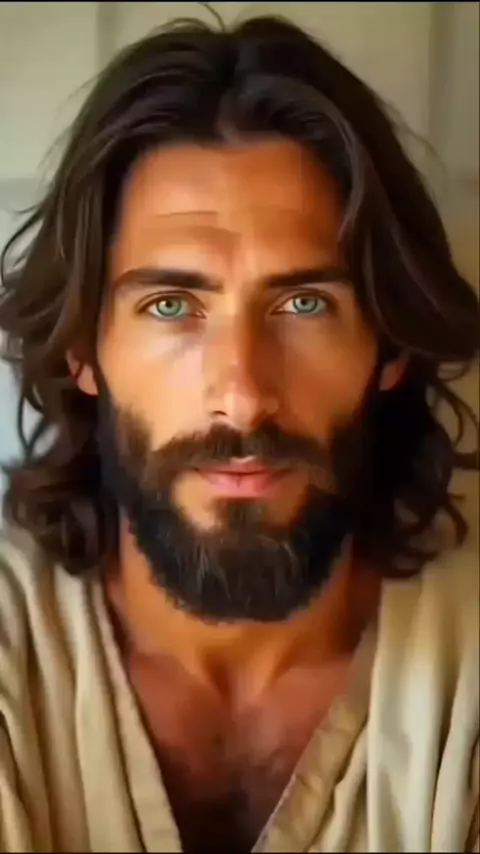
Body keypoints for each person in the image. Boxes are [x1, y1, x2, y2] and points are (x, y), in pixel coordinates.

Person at [0, 13, 478, 853]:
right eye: (171, 306)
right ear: (83, 348)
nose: (244, 397)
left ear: (391, 344)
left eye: (304, 304)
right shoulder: (15, 649)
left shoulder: (463, 677)